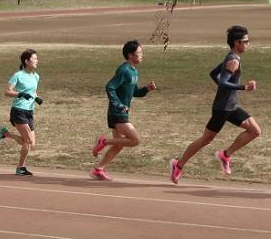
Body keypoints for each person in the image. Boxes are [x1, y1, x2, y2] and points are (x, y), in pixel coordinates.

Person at [170, 24, 260, 184]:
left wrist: (228, 90)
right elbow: (224, 82)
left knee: (254, 131)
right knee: (206, 139)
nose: (248, 44)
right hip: (222, 108)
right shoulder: (233, 61)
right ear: (237, 43)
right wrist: (244, 87)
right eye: (246, 41)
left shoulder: (232, 57)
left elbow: (214, 74)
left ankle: (225, 155)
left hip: (231, 106)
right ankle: (178, 164)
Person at [90, 40, 156, 181]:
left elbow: (134, 92)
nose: (142, 55)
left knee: (119, 145)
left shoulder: (134, 71)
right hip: (117, 113)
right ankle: (103, 141)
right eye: (139, 53)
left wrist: (146, 89)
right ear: (130, 55)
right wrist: (118, 104)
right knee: (135, 140)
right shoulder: (124, 70)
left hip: (121, 112)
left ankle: (98, 169)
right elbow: (110, 87)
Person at [0, 48, 43, 175]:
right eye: (34, 59)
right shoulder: (18, 75)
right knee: (27, 141)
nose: (37, 61)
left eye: (37, 58)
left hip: (29, 111)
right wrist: (19, 94)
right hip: (18, 111)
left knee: (31, 144)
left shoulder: (36, 76)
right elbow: (7, 92)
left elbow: (32, 91)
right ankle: (20, 167)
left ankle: (5, 134)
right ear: (27, 61)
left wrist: (36, 97)